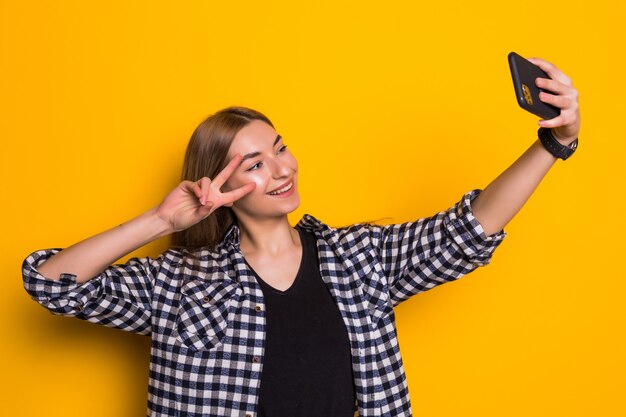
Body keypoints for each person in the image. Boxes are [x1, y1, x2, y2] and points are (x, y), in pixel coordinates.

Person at [22, 57, 580, 417]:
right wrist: (160, 223)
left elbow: (469, 230)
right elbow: (51, 285)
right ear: (220, 182)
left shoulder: (359, 259)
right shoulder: (179, 282)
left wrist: (554, 144)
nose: (282, 169)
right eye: (254, 164)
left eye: (281, 149)